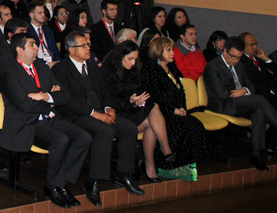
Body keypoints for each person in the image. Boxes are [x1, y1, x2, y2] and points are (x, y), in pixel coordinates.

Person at [0, 34, 91, 209]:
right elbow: (25, 105)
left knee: (83, 137)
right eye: (32, 45)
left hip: (49, 118)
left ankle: (60, 182)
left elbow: (63, 95)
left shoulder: (42, 68)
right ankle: (54, 186)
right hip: (27, 123)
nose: (36, 48)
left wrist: (44, 96)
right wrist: (50, 101)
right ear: (19, 49)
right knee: (60, 140)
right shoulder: (10, 73)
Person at [52, 32, 144, 207]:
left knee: (129, 128)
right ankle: (93, 181)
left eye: (88, 44)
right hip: (77, 115)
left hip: (100, 111)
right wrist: (95, 113)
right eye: (84, 45)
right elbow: (67, 101)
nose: (89, 48)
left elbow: (105, 92)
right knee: (105, 131)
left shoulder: (93, 67)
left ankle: (123, 174)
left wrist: (109, 109)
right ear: (72, 50)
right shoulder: (61, 69)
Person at [102, 41, 176, 182]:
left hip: (131, 110)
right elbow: (108, 102)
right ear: (120, 56)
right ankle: (161, 154)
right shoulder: (106, 72)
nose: (133, 63)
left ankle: (153, 164)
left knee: (152, 109)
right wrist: (130, 101)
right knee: (152, 117)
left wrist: (139, 100)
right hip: (117, 114)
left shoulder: (134, 69)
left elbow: (139, 91)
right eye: (130, 59)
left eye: (135, 59)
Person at [204, 37, 277, 170]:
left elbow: (251, 86)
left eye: (238, 57)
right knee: (259, 99)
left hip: (239, 103)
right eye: (233, 57)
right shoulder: (213, 66)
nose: (235, 60)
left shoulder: (240, 65)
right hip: (223, 104)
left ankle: (256, 155)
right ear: (225, 51)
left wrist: (245, 90)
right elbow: (221, 94)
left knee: (258, 112)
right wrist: (240, 93)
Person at [141, 37, 209, 179]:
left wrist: (181, 108)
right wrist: (172, 110)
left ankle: (185, 168)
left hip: (176, 110)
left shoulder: (172, 67)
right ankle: (168, 166)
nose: (172, 53)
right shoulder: (150, 68)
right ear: (158, 51)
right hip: (160, 112)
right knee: (180, 127)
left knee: (195, 126)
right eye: (168, 50)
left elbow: (181, 90)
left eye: (172, 49)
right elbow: (153, 96)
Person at [239, 32, 277, 101]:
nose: (255, 47)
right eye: (252, 45)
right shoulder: (240, 62)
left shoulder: (259, 58)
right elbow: (253, 82)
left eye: (256, 44)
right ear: (242, 46)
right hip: (261, 97)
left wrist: (266, 59)